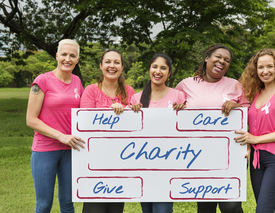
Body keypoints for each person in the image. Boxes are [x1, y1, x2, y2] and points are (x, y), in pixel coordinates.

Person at [175, 44, 250, 213]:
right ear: (207, 58)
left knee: (230, 205)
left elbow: (249, 114)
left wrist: (237, 106)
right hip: (198, 154)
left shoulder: (236, 86)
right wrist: (177, 108)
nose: (222, 61)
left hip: (232, 153)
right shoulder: (186, 84)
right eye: (218, 57)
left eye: (227, 60)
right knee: (205, 206)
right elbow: (172, 110)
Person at [236, 48, 275, 213]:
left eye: (269, 66)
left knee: (263, 210)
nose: (265, 71)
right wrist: (249, 145)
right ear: (255, 70)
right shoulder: (256, 92)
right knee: (264, 209)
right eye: (260, 67)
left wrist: (255, 139)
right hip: (257, 160)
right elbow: (253, 126)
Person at [26, 39, 85, 213]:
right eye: (64, 54)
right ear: (57, 56)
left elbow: (86, 112)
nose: (68, 59)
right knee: (44, 205)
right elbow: (31, 119)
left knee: (67, 203)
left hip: (71, 149)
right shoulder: (42, 81)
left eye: (72, 56)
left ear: (77, 59)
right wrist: (60, 135)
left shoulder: (77, 82)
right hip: (45, 149)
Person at [80, 49, 135, 213]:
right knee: (94, 207)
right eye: (108, 62)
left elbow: (135, 125)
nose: (112, 66)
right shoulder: (91, 90)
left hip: (121, 159)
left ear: (122, 67)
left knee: (116, 208)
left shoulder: (129, 91)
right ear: (101, 66)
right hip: (95, 159)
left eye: (117, 62)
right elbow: (84, 123)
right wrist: (108, 113)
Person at [130, 53, 186, 213]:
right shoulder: (136, 98)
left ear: (169, 73)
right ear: (149, 69)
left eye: (163, 68)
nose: (158, 71)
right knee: (146, 210)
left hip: (168, 165)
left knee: (162, 210)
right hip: (143, 164)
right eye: (155, 66)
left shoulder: (178, 96)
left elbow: (187, 129)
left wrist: (184, 111)